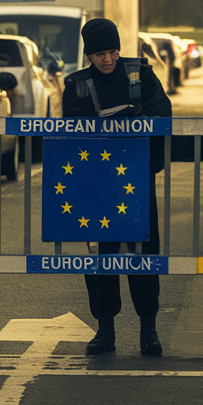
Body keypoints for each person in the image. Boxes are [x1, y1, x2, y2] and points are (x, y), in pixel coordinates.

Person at [63, 18, 172, 356]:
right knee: (101, 259)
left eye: (112, 52)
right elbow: (71, 128)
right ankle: (105, 329)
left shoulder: (139, 74)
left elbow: (163, 111)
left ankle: (148, 329)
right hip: (96, 184)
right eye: (99, 54)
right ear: (88, 55)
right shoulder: (78, 84)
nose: (107, 60)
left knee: (143, 254)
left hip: (135, 180)